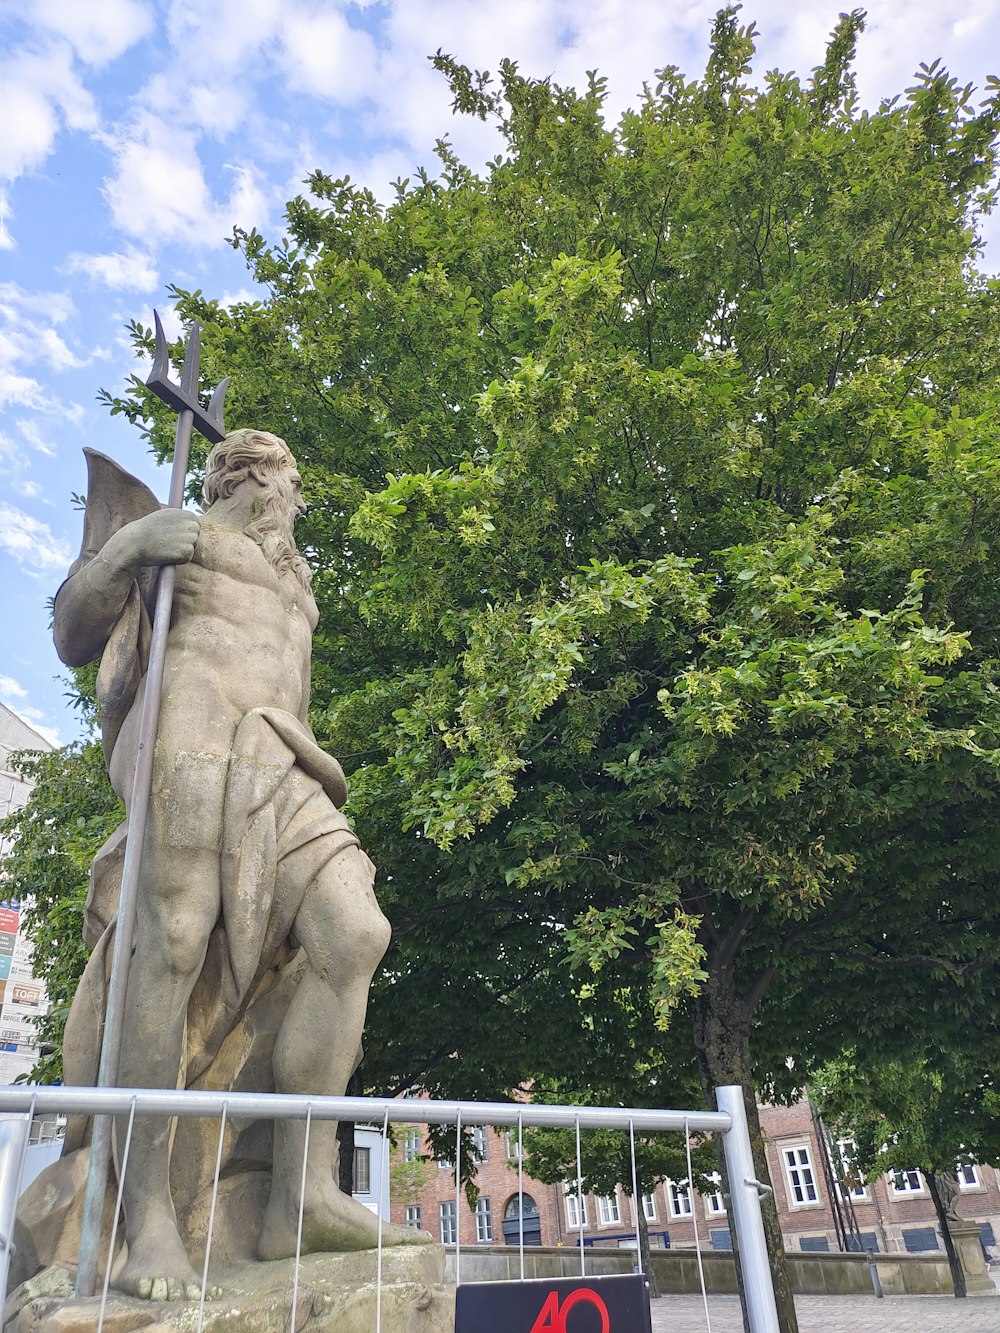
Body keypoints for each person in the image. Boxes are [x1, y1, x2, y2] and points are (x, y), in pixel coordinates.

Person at [54, 429, 424, 1302]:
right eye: (290, 485)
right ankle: (146, 1216)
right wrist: (129, 547)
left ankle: (301, 1194)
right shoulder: (187, 537)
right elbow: (75, 631)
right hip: (190, 738)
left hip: (280, 761)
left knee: (354, 930)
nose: (295, 505)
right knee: (172, 945)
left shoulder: (296, 580)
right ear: (257, 478)